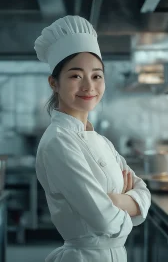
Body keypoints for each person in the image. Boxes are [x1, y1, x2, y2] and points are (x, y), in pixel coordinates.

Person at [34, 15, 151, 262]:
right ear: (54, 83)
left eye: (97, 76)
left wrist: (117, 201)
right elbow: (104, 219)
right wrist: (130, 204)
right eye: (76, 76)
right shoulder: (58, 142)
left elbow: (144, 193)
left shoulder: (101, 140)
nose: (89, 86)